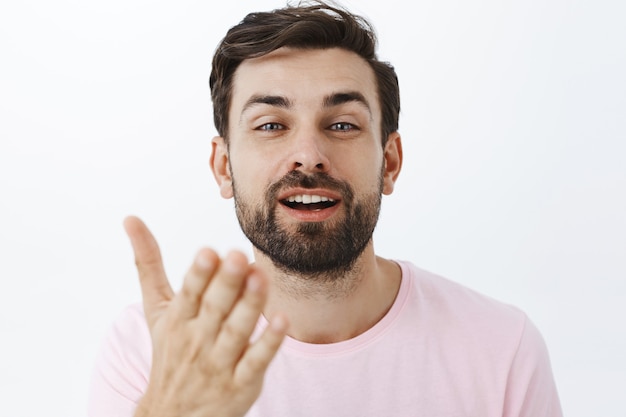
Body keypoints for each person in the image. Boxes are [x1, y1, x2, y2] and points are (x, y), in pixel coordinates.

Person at [88, 1, 563, 416]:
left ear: (390, 161)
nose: (309, 153)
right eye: (272, 125)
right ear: (224, 167)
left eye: (341, 124)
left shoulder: (501, 348)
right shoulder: (153, 351)